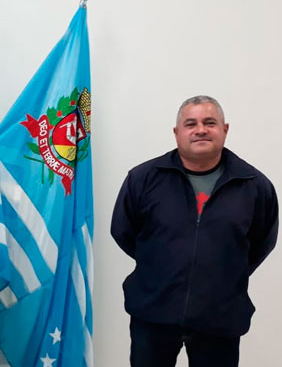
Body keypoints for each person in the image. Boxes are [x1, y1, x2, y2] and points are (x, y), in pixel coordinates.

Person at [111, 95, 278, 367]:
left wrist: (219, 275)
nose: (200, 129)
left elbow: (260, 243)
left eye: (209, 122)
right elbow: (124, 232)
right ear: (177, 133)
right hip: (152, 314)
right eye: (191, 123)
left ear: (225, 129)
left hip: (220, 318)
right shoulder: (143, 179)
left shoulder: (254, 186)